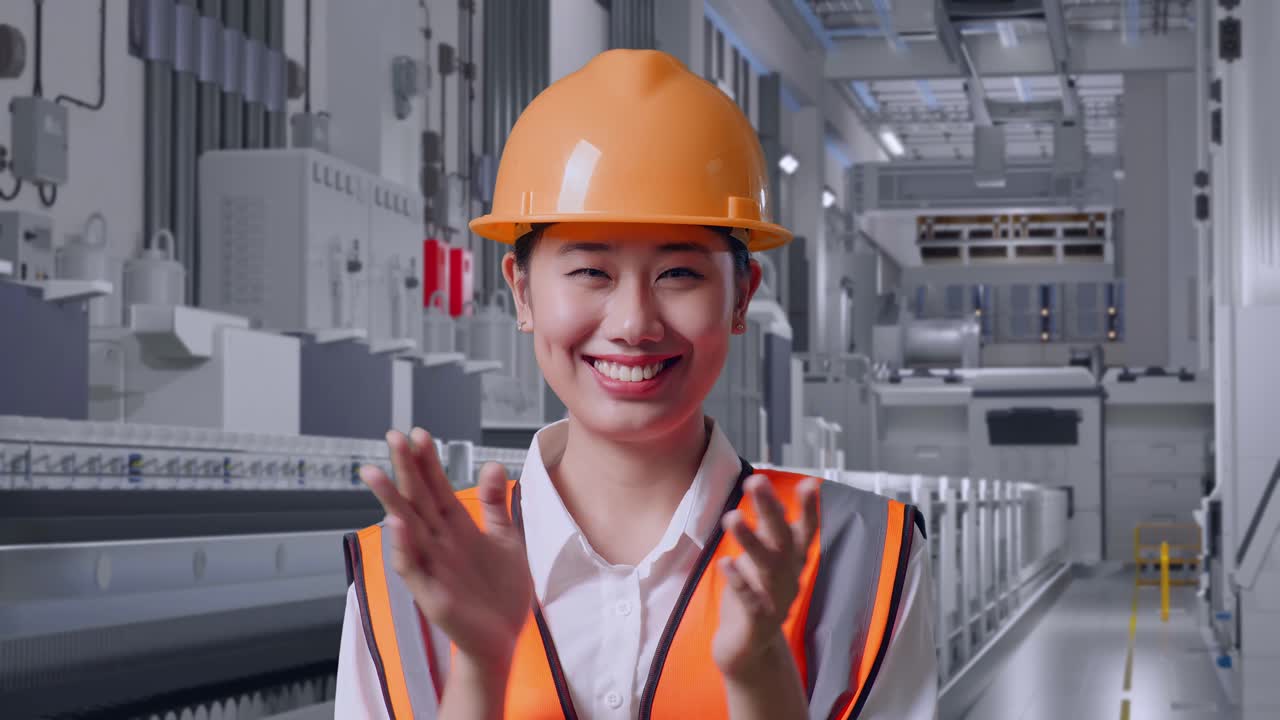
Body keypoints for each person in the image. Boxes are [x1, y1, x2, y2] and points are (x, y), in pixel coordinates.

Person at [334, 49, 937, 719]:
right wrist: (478, 668)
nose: (633, 324)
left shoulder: (859, 554)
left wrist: (763, 675)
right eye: (591, 272)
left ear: (742, 297)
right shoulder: (415, 567)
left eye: (679, 274)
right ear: (521, 292)